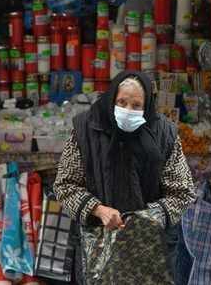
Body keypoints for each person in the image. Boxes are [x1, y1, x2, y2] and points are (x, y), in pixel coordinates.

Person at [53, 70, 197, 282]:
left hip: (151, 249)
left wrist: (148, 218)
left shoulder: (164, 134)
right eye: (121, 102)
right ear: (111, 98)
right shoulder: (86, 128)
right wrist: (98, 210)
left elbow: (183, 192)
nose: (128, 110)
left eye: (136, 105)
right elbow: (65, 185)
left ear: (147, 106)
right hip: (99, 247)